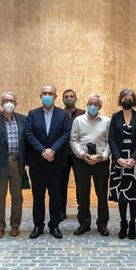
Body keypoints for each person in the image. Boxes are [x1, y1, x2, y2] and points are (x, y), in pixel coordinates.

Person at [24, 85, 72, 239]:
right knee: (38, 196)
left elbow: (66, 134)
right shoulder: (32, 114)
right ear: (40, 95)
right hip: (37, 162)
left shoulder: (63, 115)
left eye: (50, 93)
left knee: (55, 195)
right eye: (44, 93)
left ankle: (54, 225)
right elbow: (28, 134)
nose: (47, 96)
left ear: (56, 96)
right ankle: (38, 225)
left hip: (56, 162)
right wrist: (43, 150)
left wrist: (53, 150)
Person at [0, 92, 27, 239]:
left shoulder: (23, 120)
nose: (9, 103)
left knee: (17, 197)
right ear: (1, 104)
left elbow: (27, 143)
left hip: (17, 164)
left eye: (11, 100)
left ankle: (15, 225)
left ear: (16, 103)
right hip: (0, 164)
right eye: (5, 101)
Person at [108, 88, 136, 240]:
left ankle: (132, 223)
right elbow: (111, 138)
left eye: (130, 97)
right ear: (120, 99)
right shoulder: (115, 117)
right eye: (124, 97)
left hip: (135, 162)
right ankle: (123, 222)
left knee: (133, 196)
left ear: (134, 100)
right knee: (122, 195)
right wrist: (117, 158)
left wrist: (134, 158)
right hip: (119, 161)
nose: (127, 99)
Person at [70, 94, 111, 236]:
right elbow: (73, 140)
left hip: (101, 162)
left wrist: (103, 156)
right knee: (83, 193)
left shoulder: (107, 121)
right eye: (90, 104)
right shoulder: (78, 120)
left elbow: (110, 142)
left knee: (101, 194)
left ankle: (102, 224)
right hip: (82, 161)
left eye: (95, 104)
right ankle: (84, 223)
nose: (92, 106)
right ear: (86, 105)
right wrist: (82, 154)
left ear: (100, 106)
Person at [61, 89, 85, 221]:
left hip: (79, 154)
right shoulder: (58, 114)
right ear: (62, 99)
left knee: (80, 183)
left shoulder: (83, 114)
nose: (69, 98)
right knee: (61, 184)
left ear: (76, 98)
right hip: (62, 154)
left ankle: (82, 209)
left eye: (71, 96)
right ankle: (61, 211)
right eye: (66, 96)